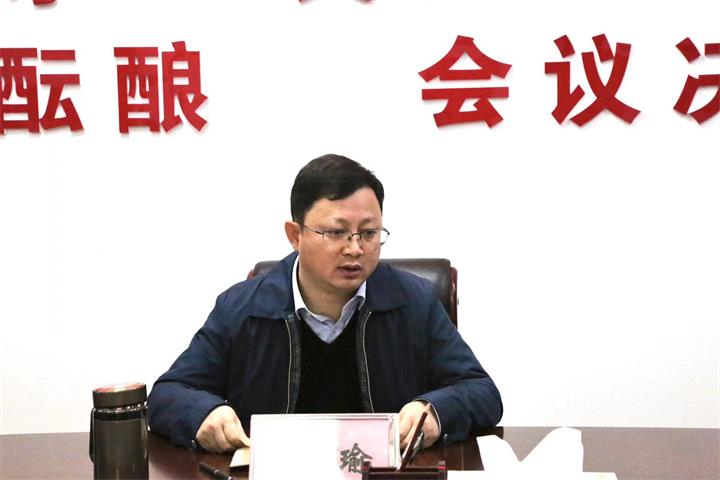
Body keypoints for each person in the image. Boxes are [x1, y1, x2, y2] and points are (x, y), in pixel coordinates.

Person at [147, 154, 502, 453]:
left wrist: (435, 411)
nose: (355, 248)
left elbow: (482, 392)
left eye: (369, 232)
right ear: (295, 235)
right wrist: (204, 413)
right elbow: (168, 394)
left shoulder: (414, 302)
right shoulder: (242, 308)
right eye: (335, 232)